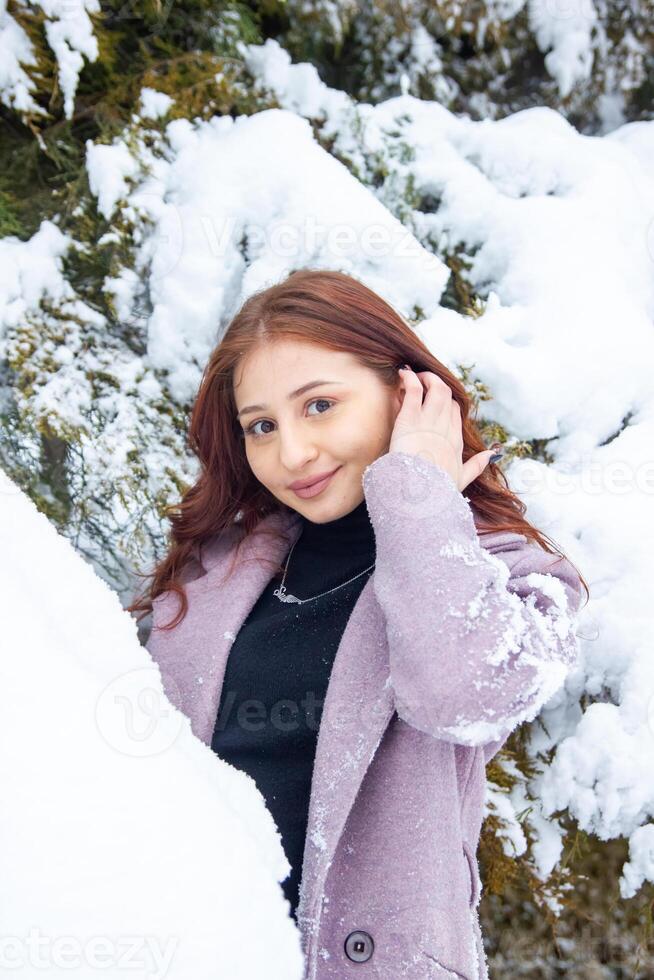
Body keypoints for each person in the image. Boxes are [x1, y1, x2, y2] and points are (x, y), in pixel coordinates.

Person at [129, 268, 588, 979]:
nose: (292, 453)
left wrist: (416, 492)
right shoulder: (215, 570)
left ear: (406, 394)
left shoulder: (514, 576)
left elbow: (460, 693)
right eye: (262, 425)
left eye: (319, 405)